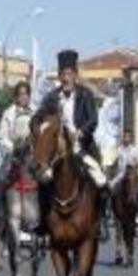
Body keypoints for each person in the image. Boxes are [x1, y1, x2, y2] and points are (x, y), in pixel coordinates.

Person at [41, 49, 109, 239]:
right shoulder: (51, 97)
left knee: (101, 180)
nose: (66, 78)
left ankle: (100, 220)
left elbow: (93, 120)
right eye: (63, 74)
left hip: (82, 147)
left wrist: (79, 133)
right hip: (57, 151)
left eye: (70, 74)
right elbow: (40, 115)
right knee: (42, 179)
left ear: (76, 75)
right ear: (59, 76)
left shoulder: (86, 95)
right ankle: (43, 222)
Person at [0, 81, 34, 230]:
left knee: (49, 178)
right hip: (14, 156)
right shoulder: (8, 113)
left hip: (32, 156)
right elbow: (1, 136)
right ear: (15, 97)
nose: (23, 97)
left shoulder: (35, 112)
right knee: (0, 178)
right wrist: (13, 148)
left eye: (26, 94)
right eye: (20, 94)